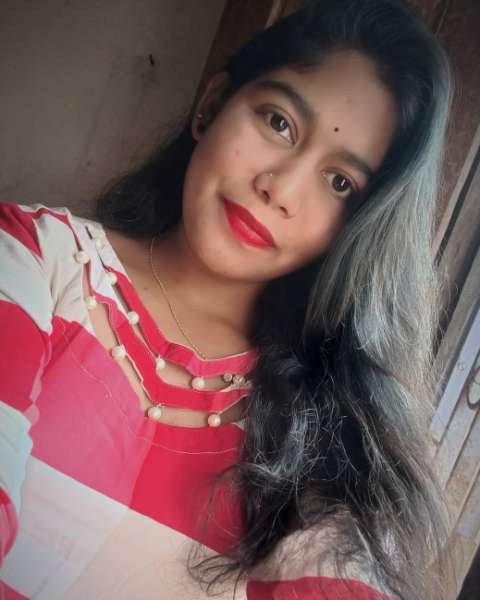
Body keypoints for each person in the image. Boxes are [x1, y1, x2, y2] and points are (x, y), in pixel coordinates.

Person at [0, 0, 454, 598]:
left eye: (340, 182)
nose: (281, 188)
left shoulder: (325, 435)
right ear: (213, 105)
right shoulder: (33, 262)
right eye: (279, 123)